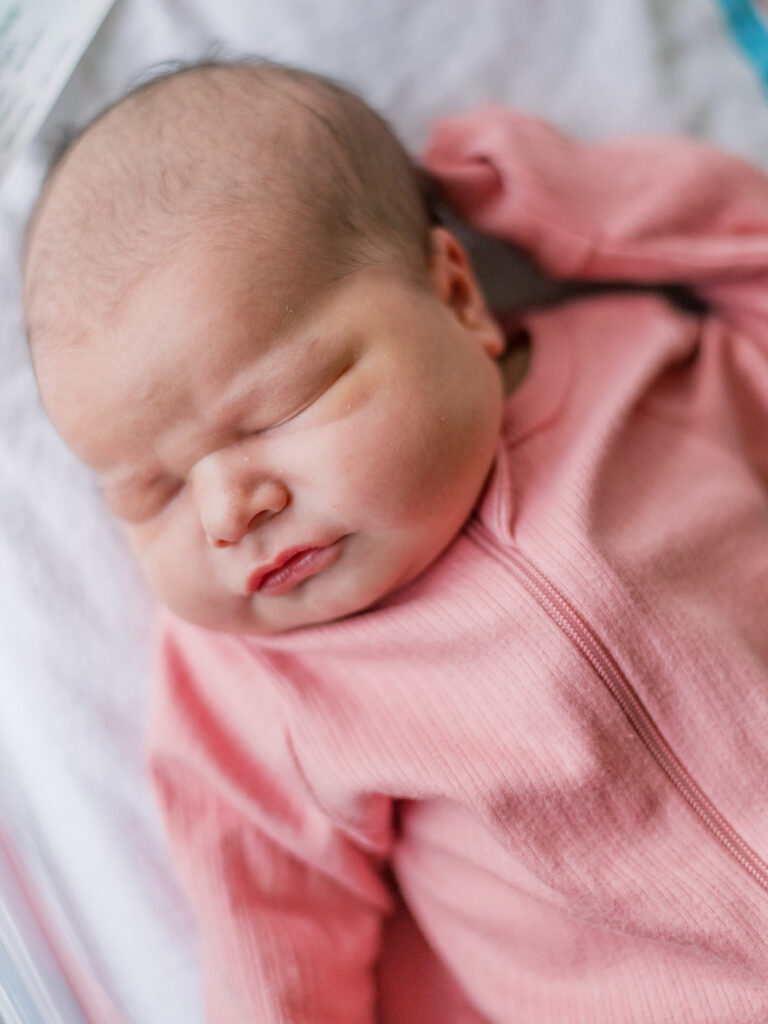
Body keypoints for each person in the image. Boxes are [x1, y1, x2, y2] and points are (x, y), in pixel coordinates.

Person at [22, 59, 768, 1023]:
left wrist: (552, 196)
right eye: (152, 492)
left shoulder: (649, 372)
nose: (224, 512)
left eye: (277, 408)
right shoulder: (257, 684)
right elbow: (274, 948)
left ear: (457, 295)